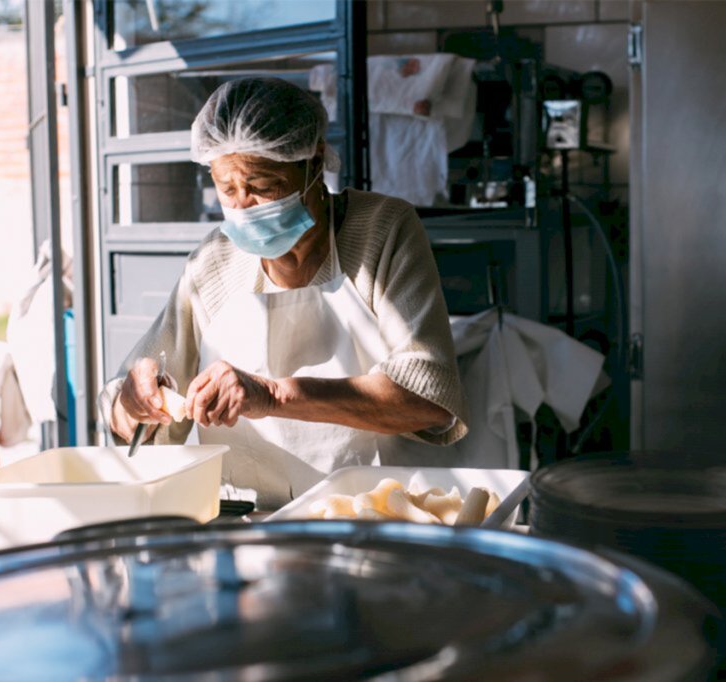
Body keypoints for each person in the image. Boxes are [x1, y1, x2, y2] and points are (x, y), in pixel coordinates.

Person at [100, 77, 468, 510]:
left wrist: (273, 396)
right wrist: (130, 403)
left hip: (376, 516)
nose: (243, 206)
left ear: (313, 161)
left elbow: (428, 401)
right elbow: (135, 412)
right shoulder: (214, 263)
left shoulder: (381, 232)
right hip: (254, 525)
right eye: (227, 188)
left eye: (262, 184)